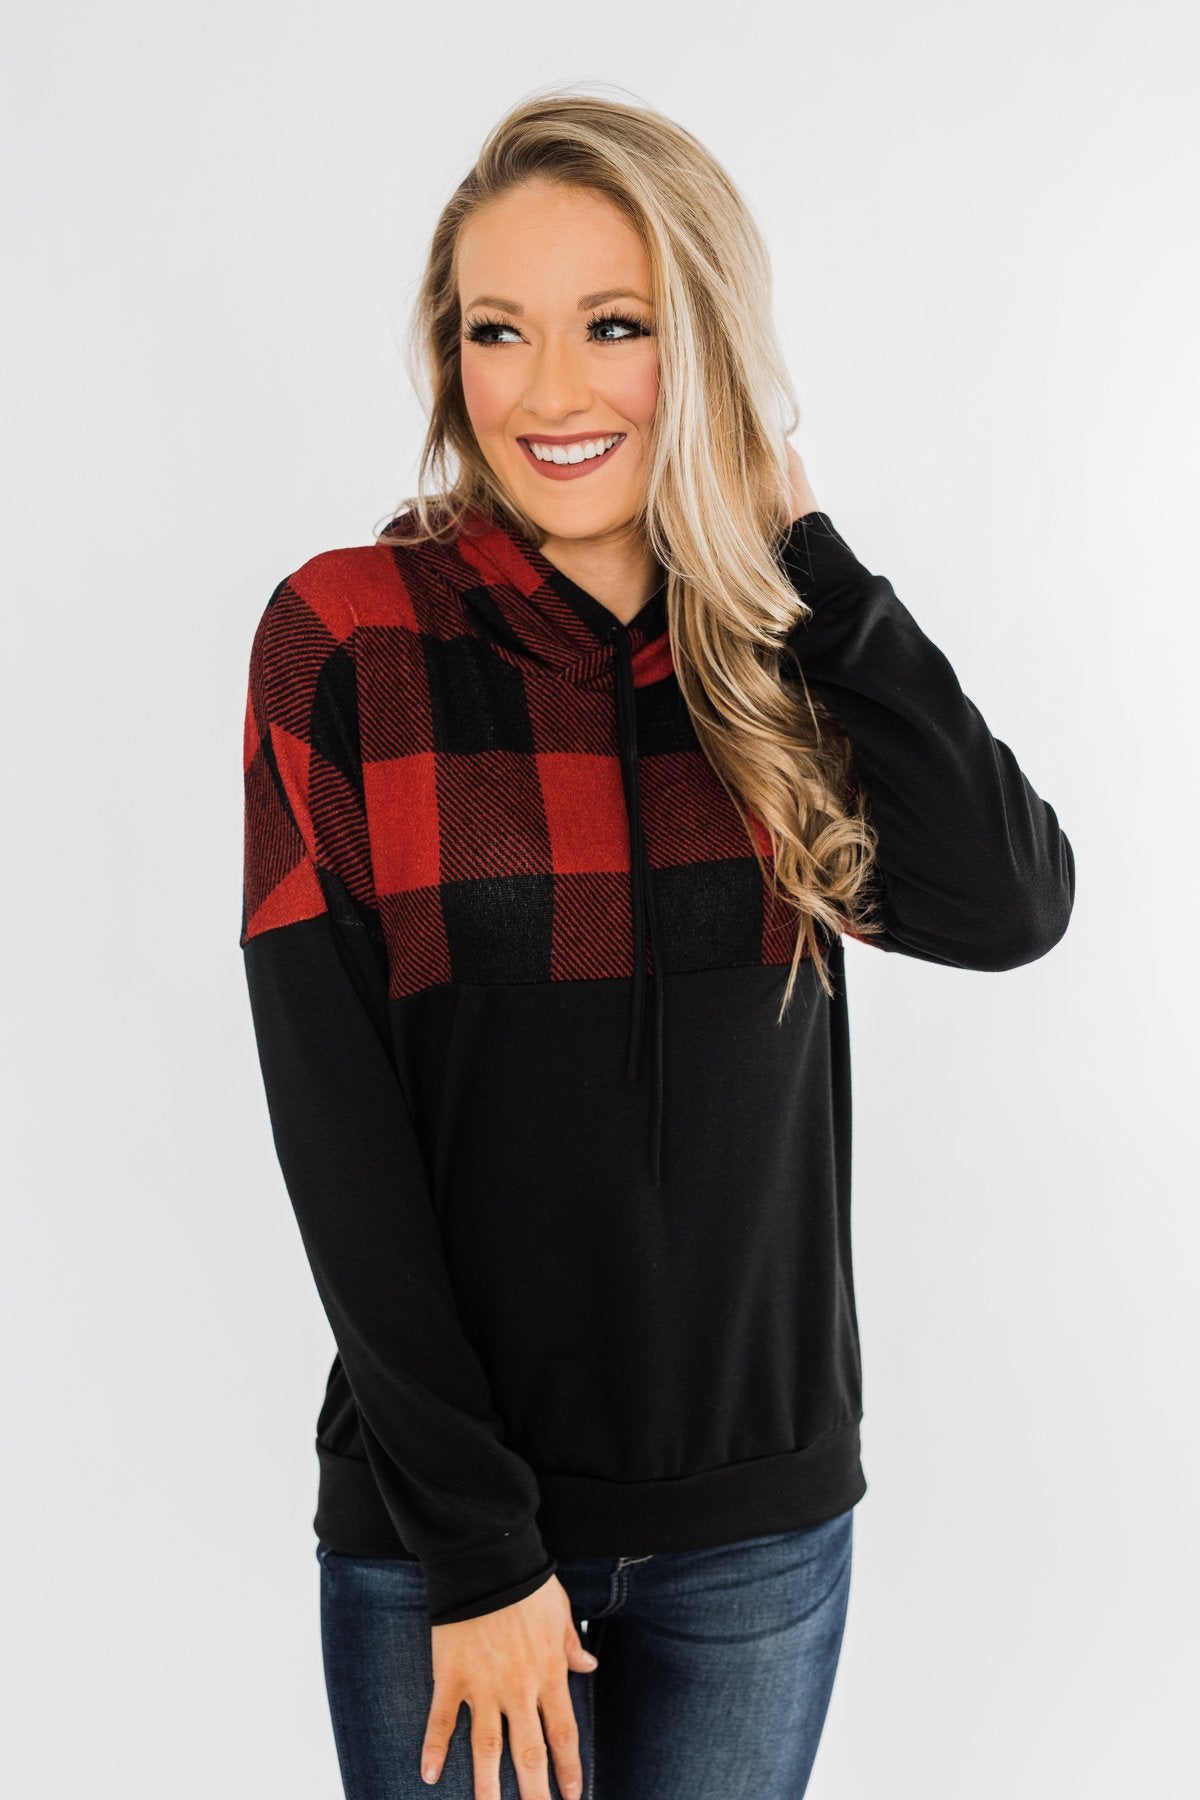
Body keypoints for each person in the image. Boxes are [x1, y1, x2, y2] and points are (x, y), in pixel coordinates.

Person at [239, 89, 1075, 1800]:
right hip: (451, 1545)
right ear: (449, 356)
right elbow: (337, 1127)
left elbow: (1011, 904)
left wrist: (809, 562)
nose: (550, 390)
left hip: (758, 1537)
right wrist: (477, 1550)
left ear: (705, 345)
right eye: (499, 330)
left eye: (615, 326)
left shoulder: (775, 653)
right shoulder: (351, 638)